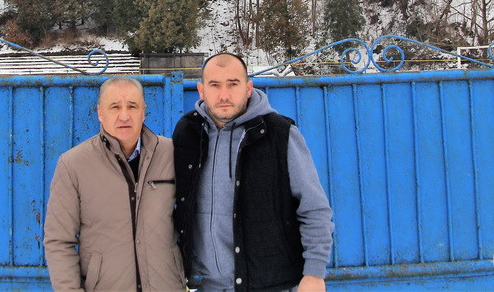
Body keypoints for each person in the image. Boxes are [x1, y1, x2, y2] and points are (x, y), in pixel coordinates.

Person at [172, 52, 334, 292]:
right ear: (201, 90)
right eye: (215, 85)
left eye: (233, 84)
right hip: (206, 286)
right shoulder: (188, 131)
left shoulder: (280, 134)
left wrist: (314, 272)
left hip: (270, 285)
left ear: (248, 88)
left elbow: (314, 208)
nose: (224, 95)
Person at [44, 76, 185, 292]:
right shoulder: (73, 165)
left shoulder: (171, 154)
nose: (124, 115)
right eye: (115, 107)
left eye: (132, 106)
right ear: (100, 113)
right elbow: (59, 241)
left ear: (144, 111)